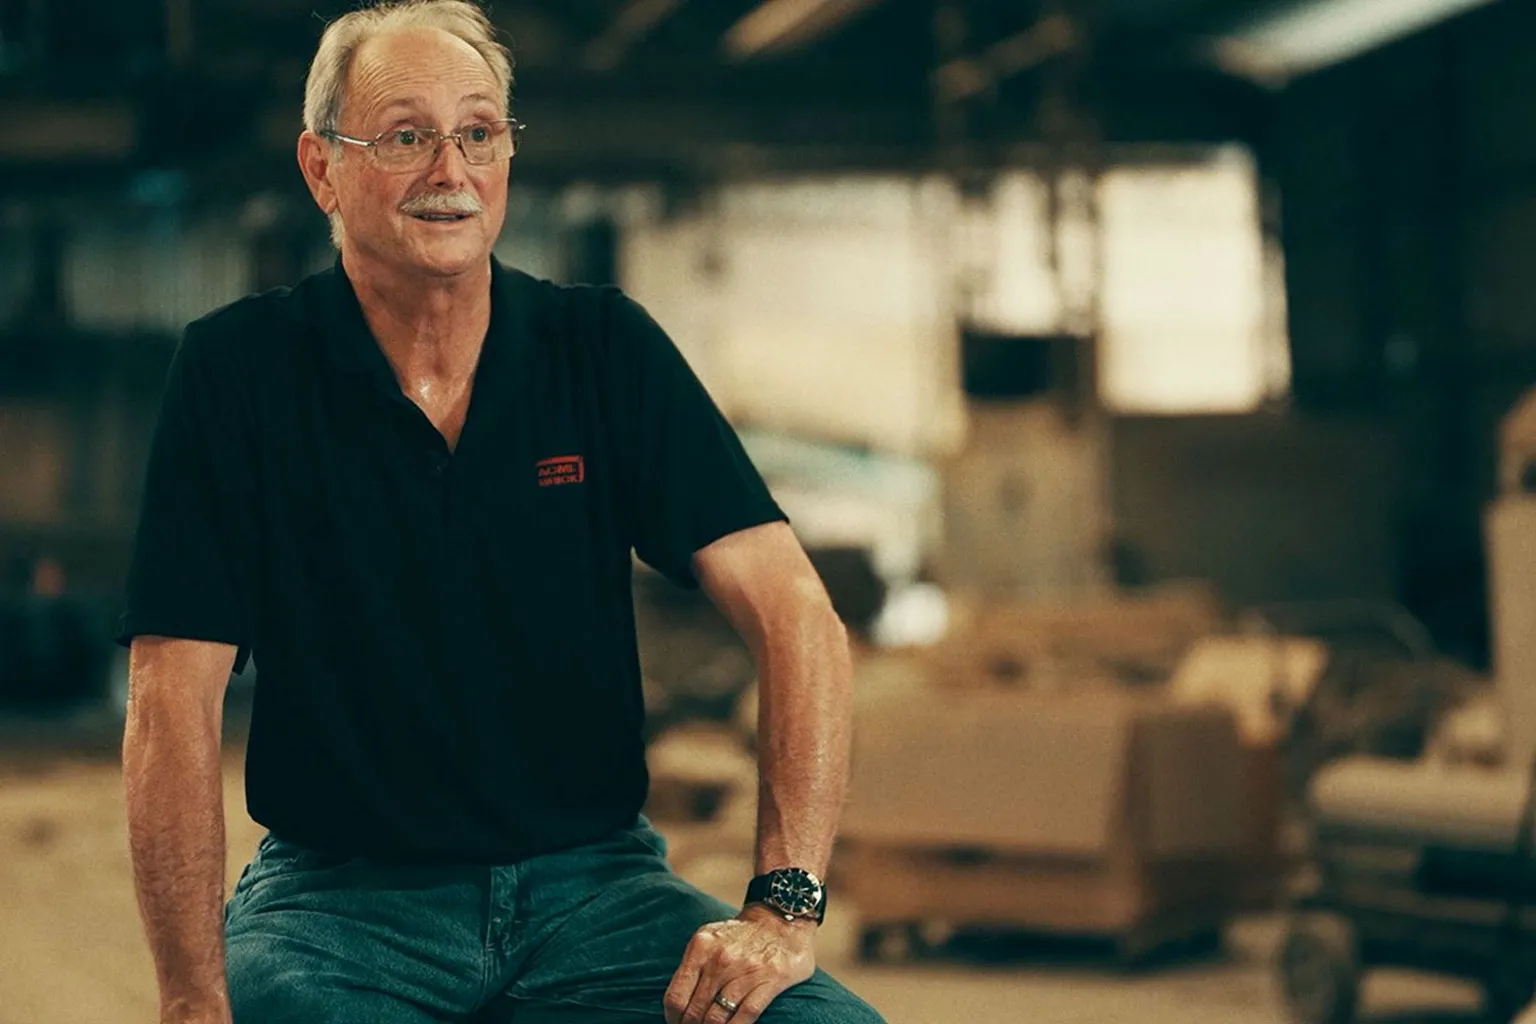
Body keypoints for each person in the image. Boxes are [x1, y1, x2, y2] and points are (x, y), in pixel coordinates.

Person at [116, 3, 885, 1023]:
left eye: (479, 132)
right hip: (340, 910)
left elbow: (799, 616)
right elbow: (171, 699)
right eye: (405, 135)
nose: (452, 168)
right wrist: (189, 997)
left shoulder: (601, 349)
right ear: (321, 169)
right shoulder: (239, 373)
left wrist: (783, 906)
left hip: (600, 893)